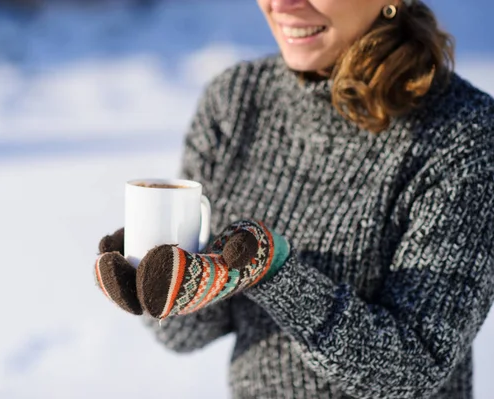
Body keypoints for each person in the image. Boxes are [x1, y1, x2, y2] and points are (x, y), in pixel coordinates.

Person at [94, 0, 494, 397]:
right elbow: (194, 333)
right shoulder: (236, 101)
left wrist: (275, 274)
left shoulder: (464, 135)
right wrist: (158, 287)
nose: (282, 4)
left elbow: (416, 366)